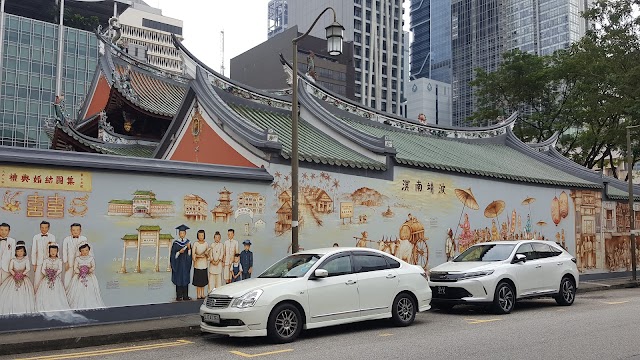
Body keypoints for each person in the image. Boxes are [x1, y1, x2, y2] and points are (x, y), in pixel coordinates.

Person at [0, 241, 36, 315]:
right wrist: (15, 274)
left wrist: (22, 274)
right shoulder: (13, 260)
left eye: (21, 251)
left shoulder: (26, 260)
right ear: (15, 252)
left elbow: (28, 269)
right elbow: (10, 269)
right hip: (13, 277)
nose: (19, 253)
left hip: (23, 278)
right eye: (18, 251)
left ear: (24, 251)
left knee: (24, 294)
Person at [66, 243, 104, 310]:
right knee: (78, 290)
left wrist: (89, 270)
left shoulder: (91, 258)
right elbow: (75, 268)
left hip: (89, 276)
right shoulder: (77, 259)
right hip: (79, 276)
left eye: (86, 250)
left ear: (89, 250)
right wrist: (80, 272)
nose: (84, 252)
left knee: (90, 290)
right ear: (80, 251)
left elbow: (93, 266)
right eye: (82, 250)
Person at [35, 243, 70, 312]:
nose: (53, 252)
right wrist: (48, 275)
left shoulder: (59, 260)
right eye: (51, 251)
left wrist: (54, 275)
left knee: (56, 293)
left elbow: (60, 269)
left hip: (55, 279)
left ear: (57, 251)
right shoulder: (46, 260)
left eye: (54, 251)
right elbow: (43, 269)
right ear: (49, 252)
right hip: (47, 279)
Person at [32, 221, 56, 292]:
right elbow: (34, 251)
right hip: (39, 262)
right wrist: (34, 263)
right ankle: (36, 295)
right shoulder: (36, 237)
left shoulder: (52, 236)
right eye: (42, 227)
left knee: (49, 280)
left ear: (48, 228)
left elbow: (54, 250)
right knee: (37, 280)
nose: (44, 229)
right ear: (40, 228)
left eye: (46, 227)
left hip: (49, 262)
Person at [170, 224, 192, 301]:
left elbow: (190, 255)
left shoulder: (188, 243)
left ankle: (185, 296)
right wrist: (179, 252)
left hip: (185, 264)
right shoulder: (176, 243)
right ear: (179, 234)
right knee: (179, 279)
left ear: (185, 233)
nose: (182, 235)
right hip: (178, 265)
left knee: (185, 279)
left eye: (183, 233)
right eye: (180, 233)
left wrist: (189, 249)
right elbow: (173, 255)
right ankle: (179, 296)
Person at [62, 223, 87, 289]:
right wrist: (66, 262)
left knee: (78, 278)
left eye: (77, 230)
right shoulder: (66, 239)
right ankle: (66, 292)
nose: (75, 232)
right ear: (70, 230)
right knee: (68, 278)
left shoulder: (84, 238)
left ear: (80, 230)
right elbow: (64, 251)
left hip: (80, 262)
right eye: (73, 230)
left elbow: (85, 251)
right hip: (70, 262)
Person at [192, 230, 209, 300]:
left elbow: (208, 254)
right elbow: (193, 255)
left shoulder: (206, 244)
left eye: (202, 235)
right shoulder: (195, 244)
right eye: (199, 235)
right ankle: (198, 294)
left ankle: (202, 294)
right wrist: (199, 256)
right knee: (198, 281)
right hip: (198, 265)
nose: (201, 237)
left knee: (203, 281)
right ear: (197, 236)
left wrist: (206, 254)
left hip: (204, 265)